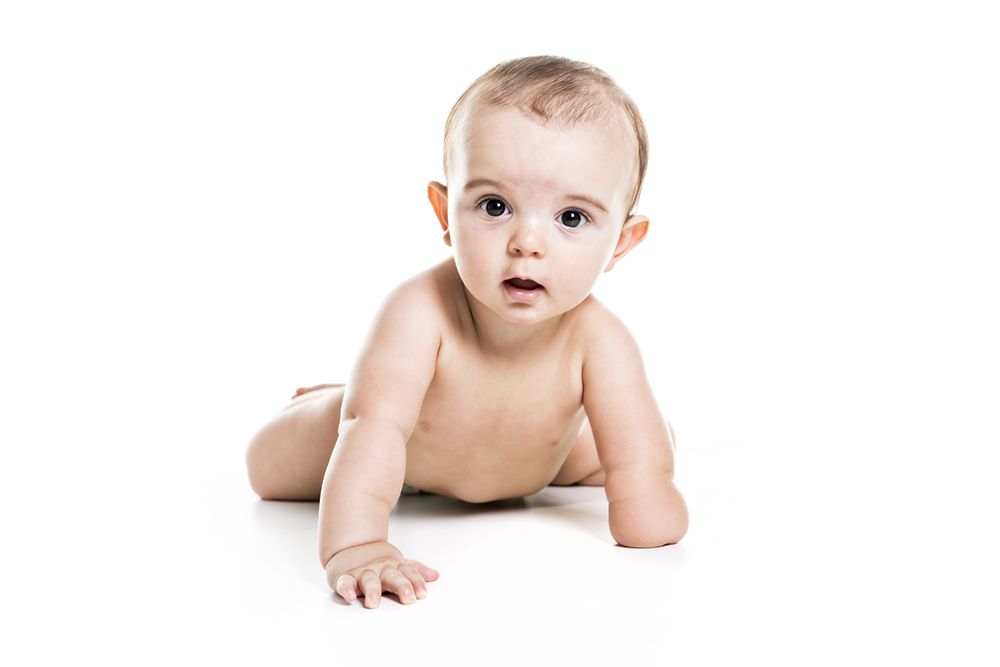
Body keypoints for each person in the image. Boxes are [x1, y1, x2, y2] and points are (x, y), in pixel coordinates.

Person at [245, 55, 689, 609]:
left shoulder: (601, 340)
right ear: (444, 213)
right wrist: (357, 546)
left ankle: (391, 396)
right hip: (407, 449)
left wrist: (647, 490)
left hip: (534, 456)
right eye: (494, 206)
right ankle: (348, 395)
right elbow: (374, 430)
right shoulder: (419, 311)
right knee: (276, 459)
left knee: (642, 436)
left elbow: (645, 488)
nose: (528, 242)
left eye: (571, 218)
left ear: (621, 243)